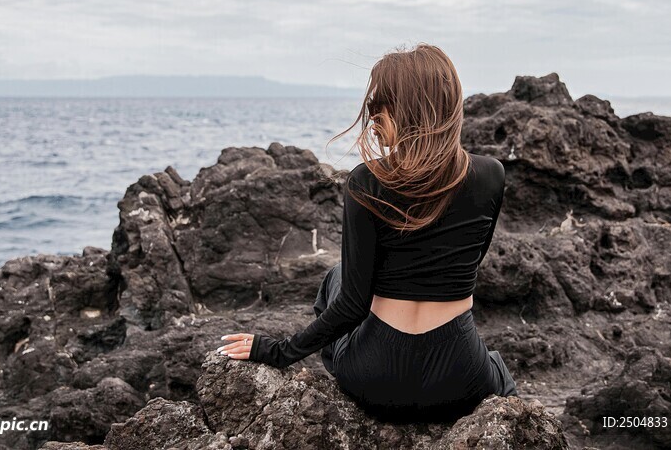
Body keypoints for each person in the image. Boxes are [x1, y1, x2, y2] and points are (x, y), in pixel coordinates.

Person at [217, 43, 518, 423]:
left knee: (335, 279)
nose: (372, 116)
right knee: (499, 375)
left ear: (408, 110)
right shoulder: (492, 175)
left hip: (376, 380)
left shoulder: (366, 180)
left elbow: (352, 306)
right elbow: (469, 265)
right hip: (458, 377)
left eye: (380, 104)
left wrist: (276, 351)